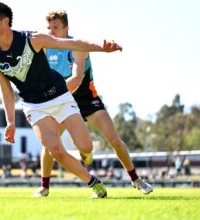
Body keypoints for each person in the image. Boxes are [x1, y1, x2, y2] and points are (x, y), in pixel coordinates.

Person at [0, 2, 122, 198]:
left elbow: (70, 44)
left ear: (5, 21)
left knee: (86, 146)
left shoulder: (33, 39)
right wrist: (10, 122)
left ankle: (86, 155)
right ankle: (93, 183)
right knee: (55, 149)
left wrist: (101, 47)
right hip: (34, 106)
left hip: (60, 96)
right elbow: (6, 90)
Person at [33, 10, 153, 197]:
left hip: (86, 99)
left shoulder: (78, 46)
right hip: (61, 101)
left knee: (114, 140)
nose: (51, 32)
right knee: (49, 144)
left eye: (55, 27)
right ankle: (44, 187)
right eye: (49, 28)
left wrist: (52, 94)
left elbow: (77, 78)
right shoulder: (46, 49)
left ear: (66, 27)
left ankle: (136, 180)